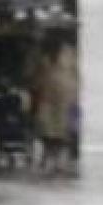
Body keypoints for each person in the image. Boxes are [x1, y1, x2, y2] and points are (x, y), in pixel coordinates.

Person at [31, 31, 79, 173]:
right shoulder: (41, 55)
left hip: (65, 97)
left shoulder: (69, 54)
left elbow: (75, 74)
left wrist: (75, 94)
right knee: (46, 128)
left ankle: (56, 159)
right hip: (47, 96)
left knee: (62, 129)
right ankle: (48, 156)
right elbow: (37, 75)